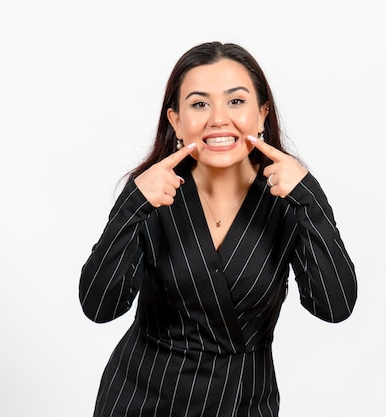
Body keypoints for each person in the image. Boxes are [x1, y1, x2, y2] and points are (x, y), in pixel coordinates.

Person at [79, 41, 357, 417]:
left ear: (262, 114)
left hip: (243, 403)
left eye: (236, 101)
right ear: (175, 120)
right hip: (140, 400)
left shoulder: (289, 198)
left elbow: (334, 306)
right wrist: (133, 205)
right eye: (199, 104)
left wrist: (311, 200)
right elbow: (99, 307)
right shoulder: (152, 191)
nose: (218, 119)